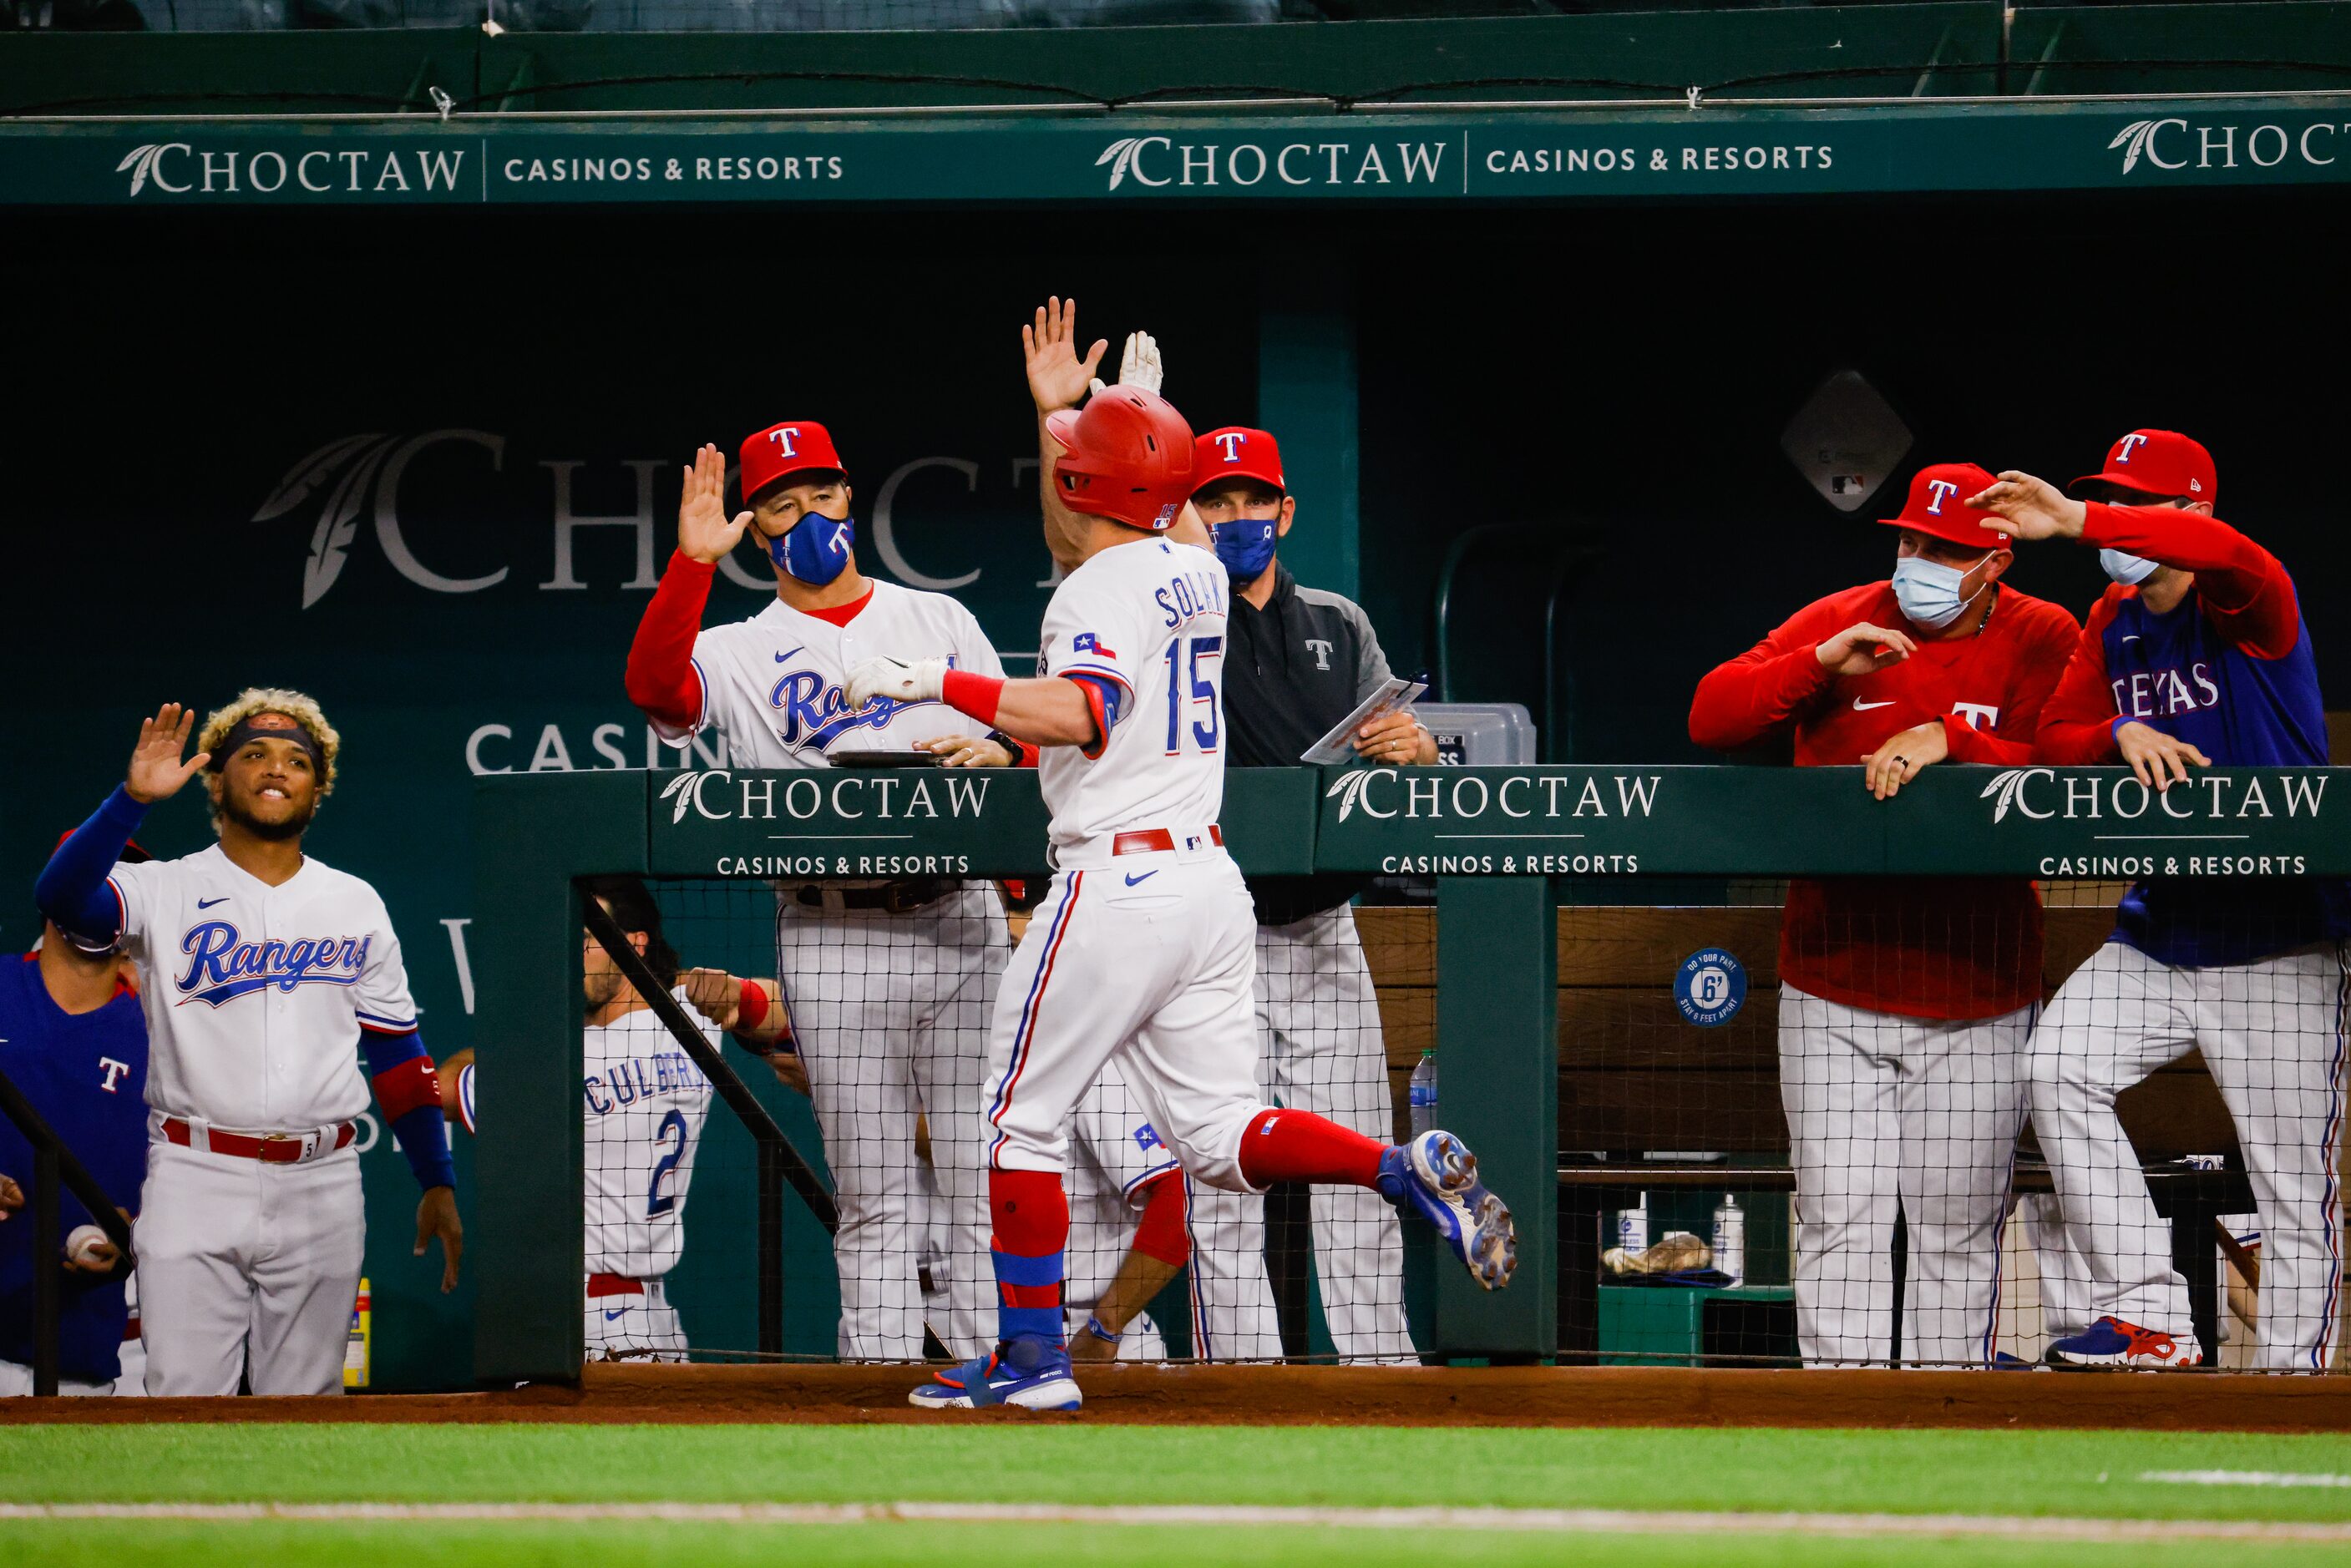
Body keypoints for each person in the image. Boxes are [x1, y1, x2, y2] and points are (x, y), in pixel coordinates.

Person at [846, 380, 1517, 1411]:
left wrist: (932, 679)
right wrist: (1127, 421)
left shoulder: (1097, 589)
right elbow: (1135, 524)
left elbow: (1079, 713)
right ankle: (1395, 1166)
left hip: (1116, 877)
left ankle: (1031, 1364)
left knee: (1017, 1124)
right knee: (1218, 1134)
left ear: (1088, 483)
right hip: (1210, 887)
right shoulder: (1198, 573)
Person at [624, 424, 1018, 1361]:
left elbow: (1026, 729)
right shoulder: (738, 645)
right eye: (781, 503)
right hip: (828, 926)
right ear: (757, 529)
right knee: (874, 1188)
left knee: (978, 1176)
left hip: (959, 918)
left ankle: (988, 1376)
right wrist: (690, 563)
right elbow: (655, 690)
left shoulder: (938, 619)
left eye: (819, 494)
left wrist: (1005, 749)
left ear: (850, 497)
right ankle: (879, 1383)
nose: (806, 517)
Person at [1688, 464, 2081, 1367]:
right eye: (1909, 542)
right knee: (1839, 1219)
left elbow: (2066, 762)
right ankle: (1843, 1416)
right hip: (1834, 980)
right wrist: (1819, 665)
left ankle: (1944, 1418)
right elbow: (1710, 716)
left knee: (1955, 1230)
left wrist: (1955, 739)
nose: (1919, 563)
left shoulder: (2040, 632)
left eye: (1944, 549)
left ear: (1996, 556)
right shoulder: (1840, 617)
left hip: (1978, 985)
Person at [1973, 431, 2348, 1371]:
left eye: (2141, 503)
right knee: (2053, 1067)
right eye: (2111, 499)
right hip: (2160, 929)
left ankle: (2288, 1388)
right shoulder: (2113, 614)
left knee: (2289, 1188)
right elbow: (2058, 739)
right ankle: (2151, 1314)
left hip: (2279, 936)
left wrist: (2071, 520)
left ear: (2191, 514)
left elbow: (2230, 554)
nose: (2118, 523)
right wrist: (2119, 727)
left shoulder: (2247, 599)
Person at [35, 695, 461, 1395]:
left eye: (298, 761)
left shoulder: (354, 901)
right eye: (254, 754)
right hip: (196, 1171)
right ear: (215, 780)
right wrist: (132, 799)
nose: (277, 770)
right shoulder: (163, 886)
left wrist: (435, 1178)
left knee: (307, 1405)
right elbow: (62, 896)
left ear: (316, 791)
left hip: (321, 1178)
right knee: (182, 1396)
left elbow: (396, 1051)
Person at [1173, 417, 1429, 1364]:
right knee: (1222, 1180)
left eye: (1252, 499)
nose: (1237, 517)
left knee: (1355, 1171)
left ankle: (1380, 1377)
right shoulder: (1175, 623)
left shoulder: (1338, 622)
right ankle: (1240, 1385)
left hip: (1322, 929)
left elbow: (1404, 751)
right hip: (1211, 937)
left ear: (1286, 508)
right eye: (1216, 500)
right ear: (1187, 513)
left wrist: (1414, 747)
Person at [0, 837, 152, 1397]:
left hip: (87, 1354)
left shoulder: (165, 1034)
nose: (102, 901)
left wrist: (135, 1233)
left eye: (121, 889)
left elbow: (201, 1180)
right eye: (89, 880)